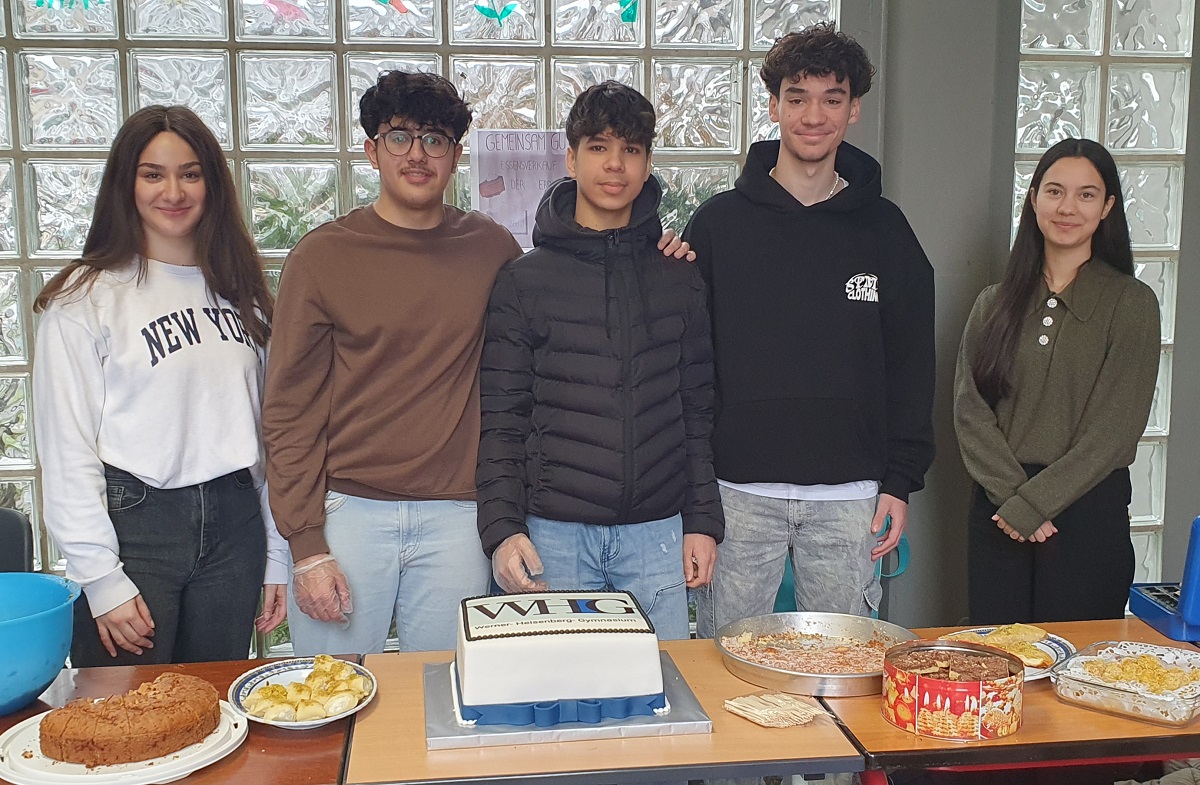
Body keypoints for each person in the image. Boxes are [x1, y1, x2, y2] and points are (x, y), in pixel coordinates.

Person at [263, 71, 694, 655]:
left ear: (456, 155)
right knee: (330, 692)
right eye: (399, 137)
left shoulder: (492, 250)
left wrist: (657, 246)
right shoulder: (321, 256)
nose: (418, 154)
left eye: (435, 139)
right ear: (370, 150)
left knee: (451, 695)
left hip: (456, 518)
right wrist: (306, 543)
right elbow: (288, 411)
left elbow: (578, 296)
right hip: (348, 512)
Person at [683, 23, 935, 637]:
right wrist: (695, 489)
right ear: (774, 106)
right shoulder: (717, 225)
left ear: (854, 110)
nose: (813, 114)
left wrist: (899, 480)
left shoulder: (886, 231)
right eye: (797, 97)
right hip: (736, 489)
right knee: (726, 661)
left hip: (849, 495)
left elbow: (912, 363)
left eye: (831, 97)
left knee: (843, 665)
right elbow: (688, 364)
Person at [33, 105, 287, 667]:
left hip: (235, 527)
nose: (173, 190)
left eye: (191, 173)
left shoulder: (242, 294)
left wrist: (277, 554)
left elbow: (269, 440)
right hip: (135, 532)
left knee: (213, 711)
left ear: (211, 185)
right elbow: (66, 451)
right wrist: (100, 578)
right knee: (123, 723)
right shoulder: (84, 299)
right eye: (153, 173)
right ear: (126, 182)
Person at [477, 81, 725, 639]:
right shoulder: (524, 280)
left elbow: (696, 410)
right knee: (554, 708)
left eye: (631, 149)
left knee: (656, 702)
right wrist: (501, 527)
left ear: (647, 161)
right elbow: (502, 419)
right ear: (570, 157)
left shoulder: (678, 275)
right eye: (598, 146)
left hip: (656, 536)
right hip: (552, 537)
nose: (615, 165)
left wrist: (703, 522)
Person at [954, 138, 1160, 624]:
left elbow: (1114, 431)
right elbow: (969, 410)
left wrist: (1035, 504)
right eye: (1055, 191)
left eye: (1087, 195)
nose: (1068, 207)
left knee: (1075, 673)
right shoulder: (993, 303)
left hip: (1087, 512)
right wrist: (1012, 499)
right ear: (1034, 199)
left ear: (1107, 207)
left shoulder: (1132, 305)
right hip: (998, 510)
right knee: (996, 664)